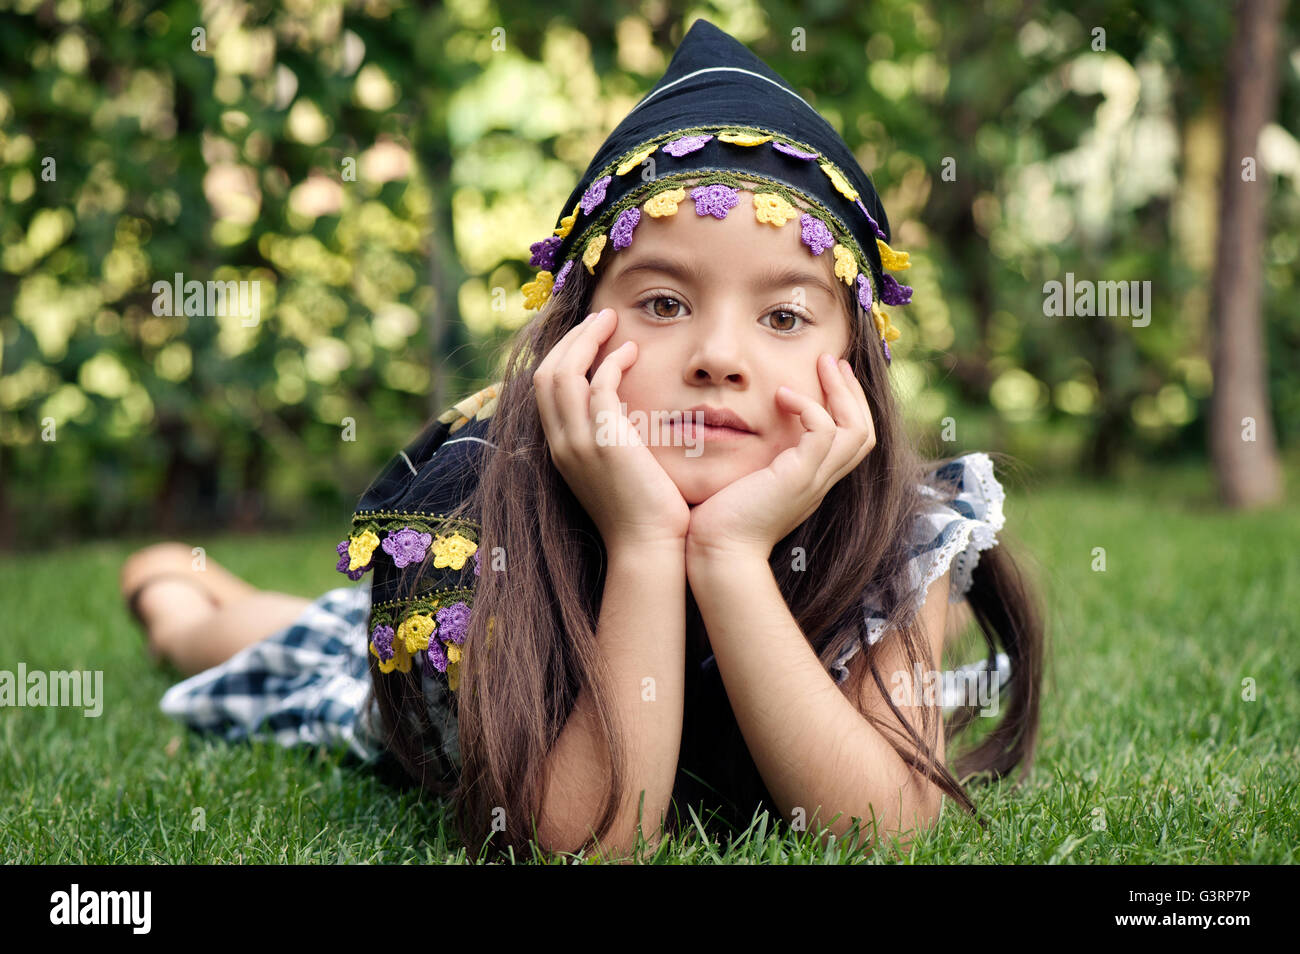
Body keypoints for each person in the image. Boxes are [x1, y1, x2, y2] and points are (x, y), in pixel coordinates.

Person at [128, 18, 1044, 862]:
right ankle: (174, 589)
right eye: (663, 303)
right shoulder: (473, 507)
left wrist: (728, 555)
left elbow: (881, 827)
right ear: (577, 334)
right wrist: (645, 541)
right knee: (282, 644)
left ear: (856, 364)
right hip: (431, 665)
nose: (720, 357)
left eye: (785, 316)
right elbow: (579, 843)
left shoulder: (900, 529)